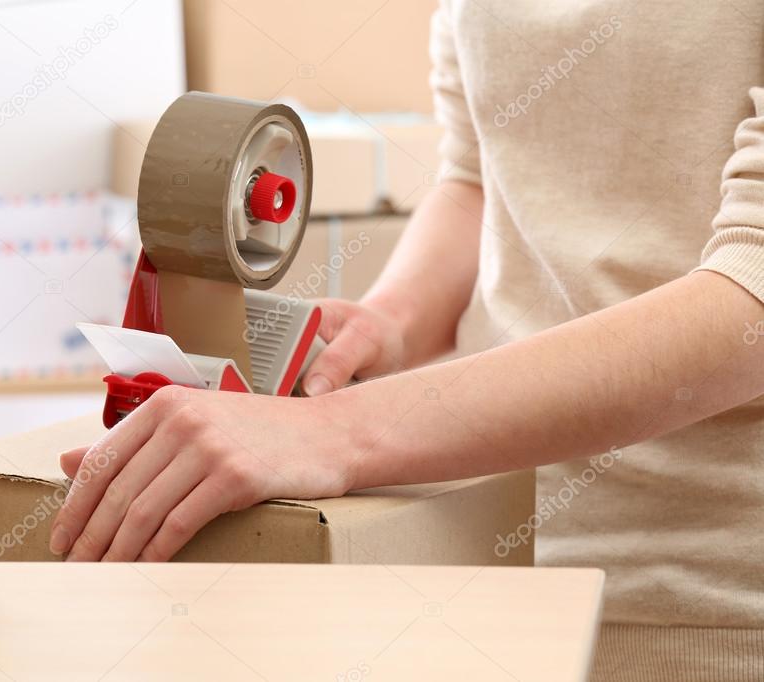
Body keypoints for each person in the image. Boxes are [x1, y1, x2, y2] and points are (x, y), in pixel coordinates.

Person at [51, 3, 764, 679]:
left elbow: (750, 294)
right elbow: (478, 178)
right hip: (476, 563)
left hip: (700, 608)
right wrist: (390, 320)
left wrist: (334, 434)